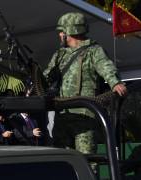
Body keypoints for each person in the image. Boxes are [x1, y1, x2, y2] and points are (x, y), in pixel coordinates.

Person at [43, 12, 127, 154]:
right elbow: (46, 78)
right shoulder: (59, 55)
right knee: (62, 159)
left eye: (62, 31)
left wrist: (115, 83)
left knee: (87, 160)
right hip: (63, 114)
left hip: (85, 115)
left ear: (70, 31)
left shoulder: (93, 51)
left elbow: (105, 67)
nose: (60, 35)